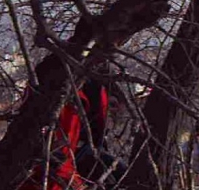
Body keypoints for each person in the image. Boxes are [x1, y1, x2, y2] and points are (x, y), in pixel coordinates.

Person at [19, 56, 127, 190]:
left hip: (77, 155)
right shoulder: (57, 96)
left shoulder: (95, 88)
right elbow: (51, 150)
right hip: (67, 159)